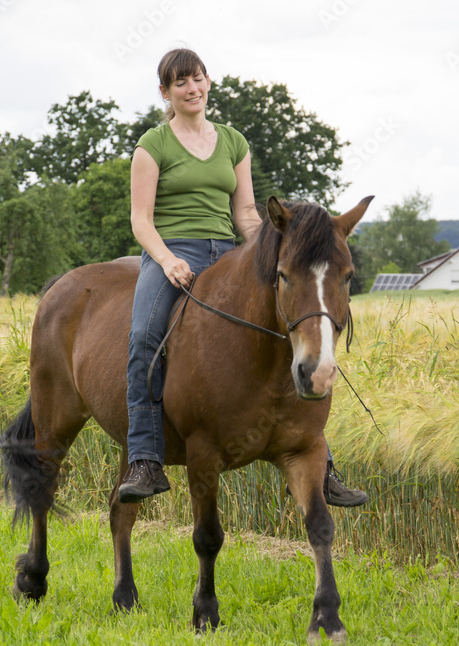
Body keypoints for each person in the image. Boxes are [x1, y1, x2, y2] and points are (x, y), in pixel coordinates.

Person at [118, 48, 368, 508]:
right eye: (180, 84)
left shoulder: (233, 141)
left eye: (197, 79)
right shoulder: (152, 146)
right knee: (142, 340)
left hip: (228, 253)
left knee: (292, 331)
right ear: (165, 93)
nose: (191, 89)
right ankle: (145, 458)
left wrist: (277, 241)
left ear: (208, 82)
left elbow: (246, 214)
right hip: (171, 253)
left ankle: (321, 464)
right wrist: (168, 260)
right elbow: (141, 220)